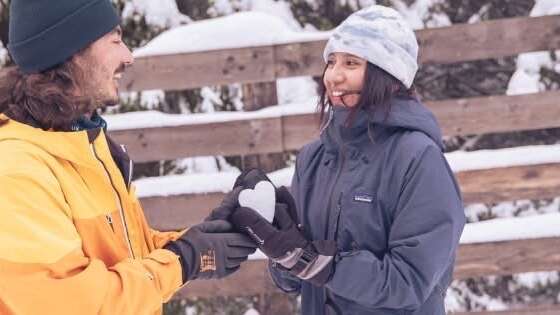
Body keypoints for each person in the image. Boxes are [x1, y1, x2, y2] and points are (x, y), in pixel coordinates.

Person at [0, 1, 256, 314]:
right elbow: (77, 305)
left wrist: (201, 240)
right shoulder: (17, 171)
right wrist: (182, 260)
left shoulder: (78, 142)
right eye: (115, 39)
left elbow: (122, 257)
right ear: (70, 50)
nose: (128, 56)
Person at [218, 5, 466, 315]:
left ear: (387, 74)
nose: (334, 76)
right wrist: (281, 249)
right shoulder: (314, 158)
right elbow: (297, 282)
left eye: (351, 63)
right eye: (331, 61)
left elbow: (410, 281)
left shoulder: (417, 159)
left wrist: (320, 265)